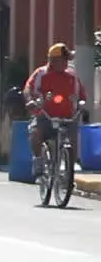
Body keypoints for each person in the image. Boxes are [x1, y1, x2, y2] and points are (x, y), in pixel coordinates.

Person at [24, 43, 87, 175]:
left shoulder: (72, 76)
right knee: (36, 133)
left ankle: (70, 169)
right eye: (63, 59)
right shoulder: (41, 74)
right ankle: (38, 160)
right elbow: (28, 89)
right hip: (45, 115)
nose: (66, 63)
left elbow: (81, 93)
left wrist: (81, 103)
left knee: (74, 138)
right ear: (53, 60)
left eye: (67, 59)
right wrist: (30, 101)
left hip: (68, 117)